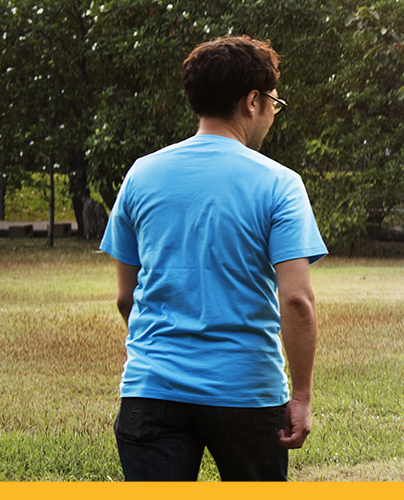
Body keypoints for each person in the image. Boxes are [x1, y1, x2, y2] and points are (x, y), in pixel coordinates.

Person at [102, 35, 323, 481]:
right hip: (245, 392)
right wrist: (300, 395)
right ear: (253, 101)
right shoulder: (279, 183)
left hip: (151, 390)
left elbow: (127, 297)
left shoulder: (141, 175)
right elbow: (296, 301)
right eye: (274, 104)